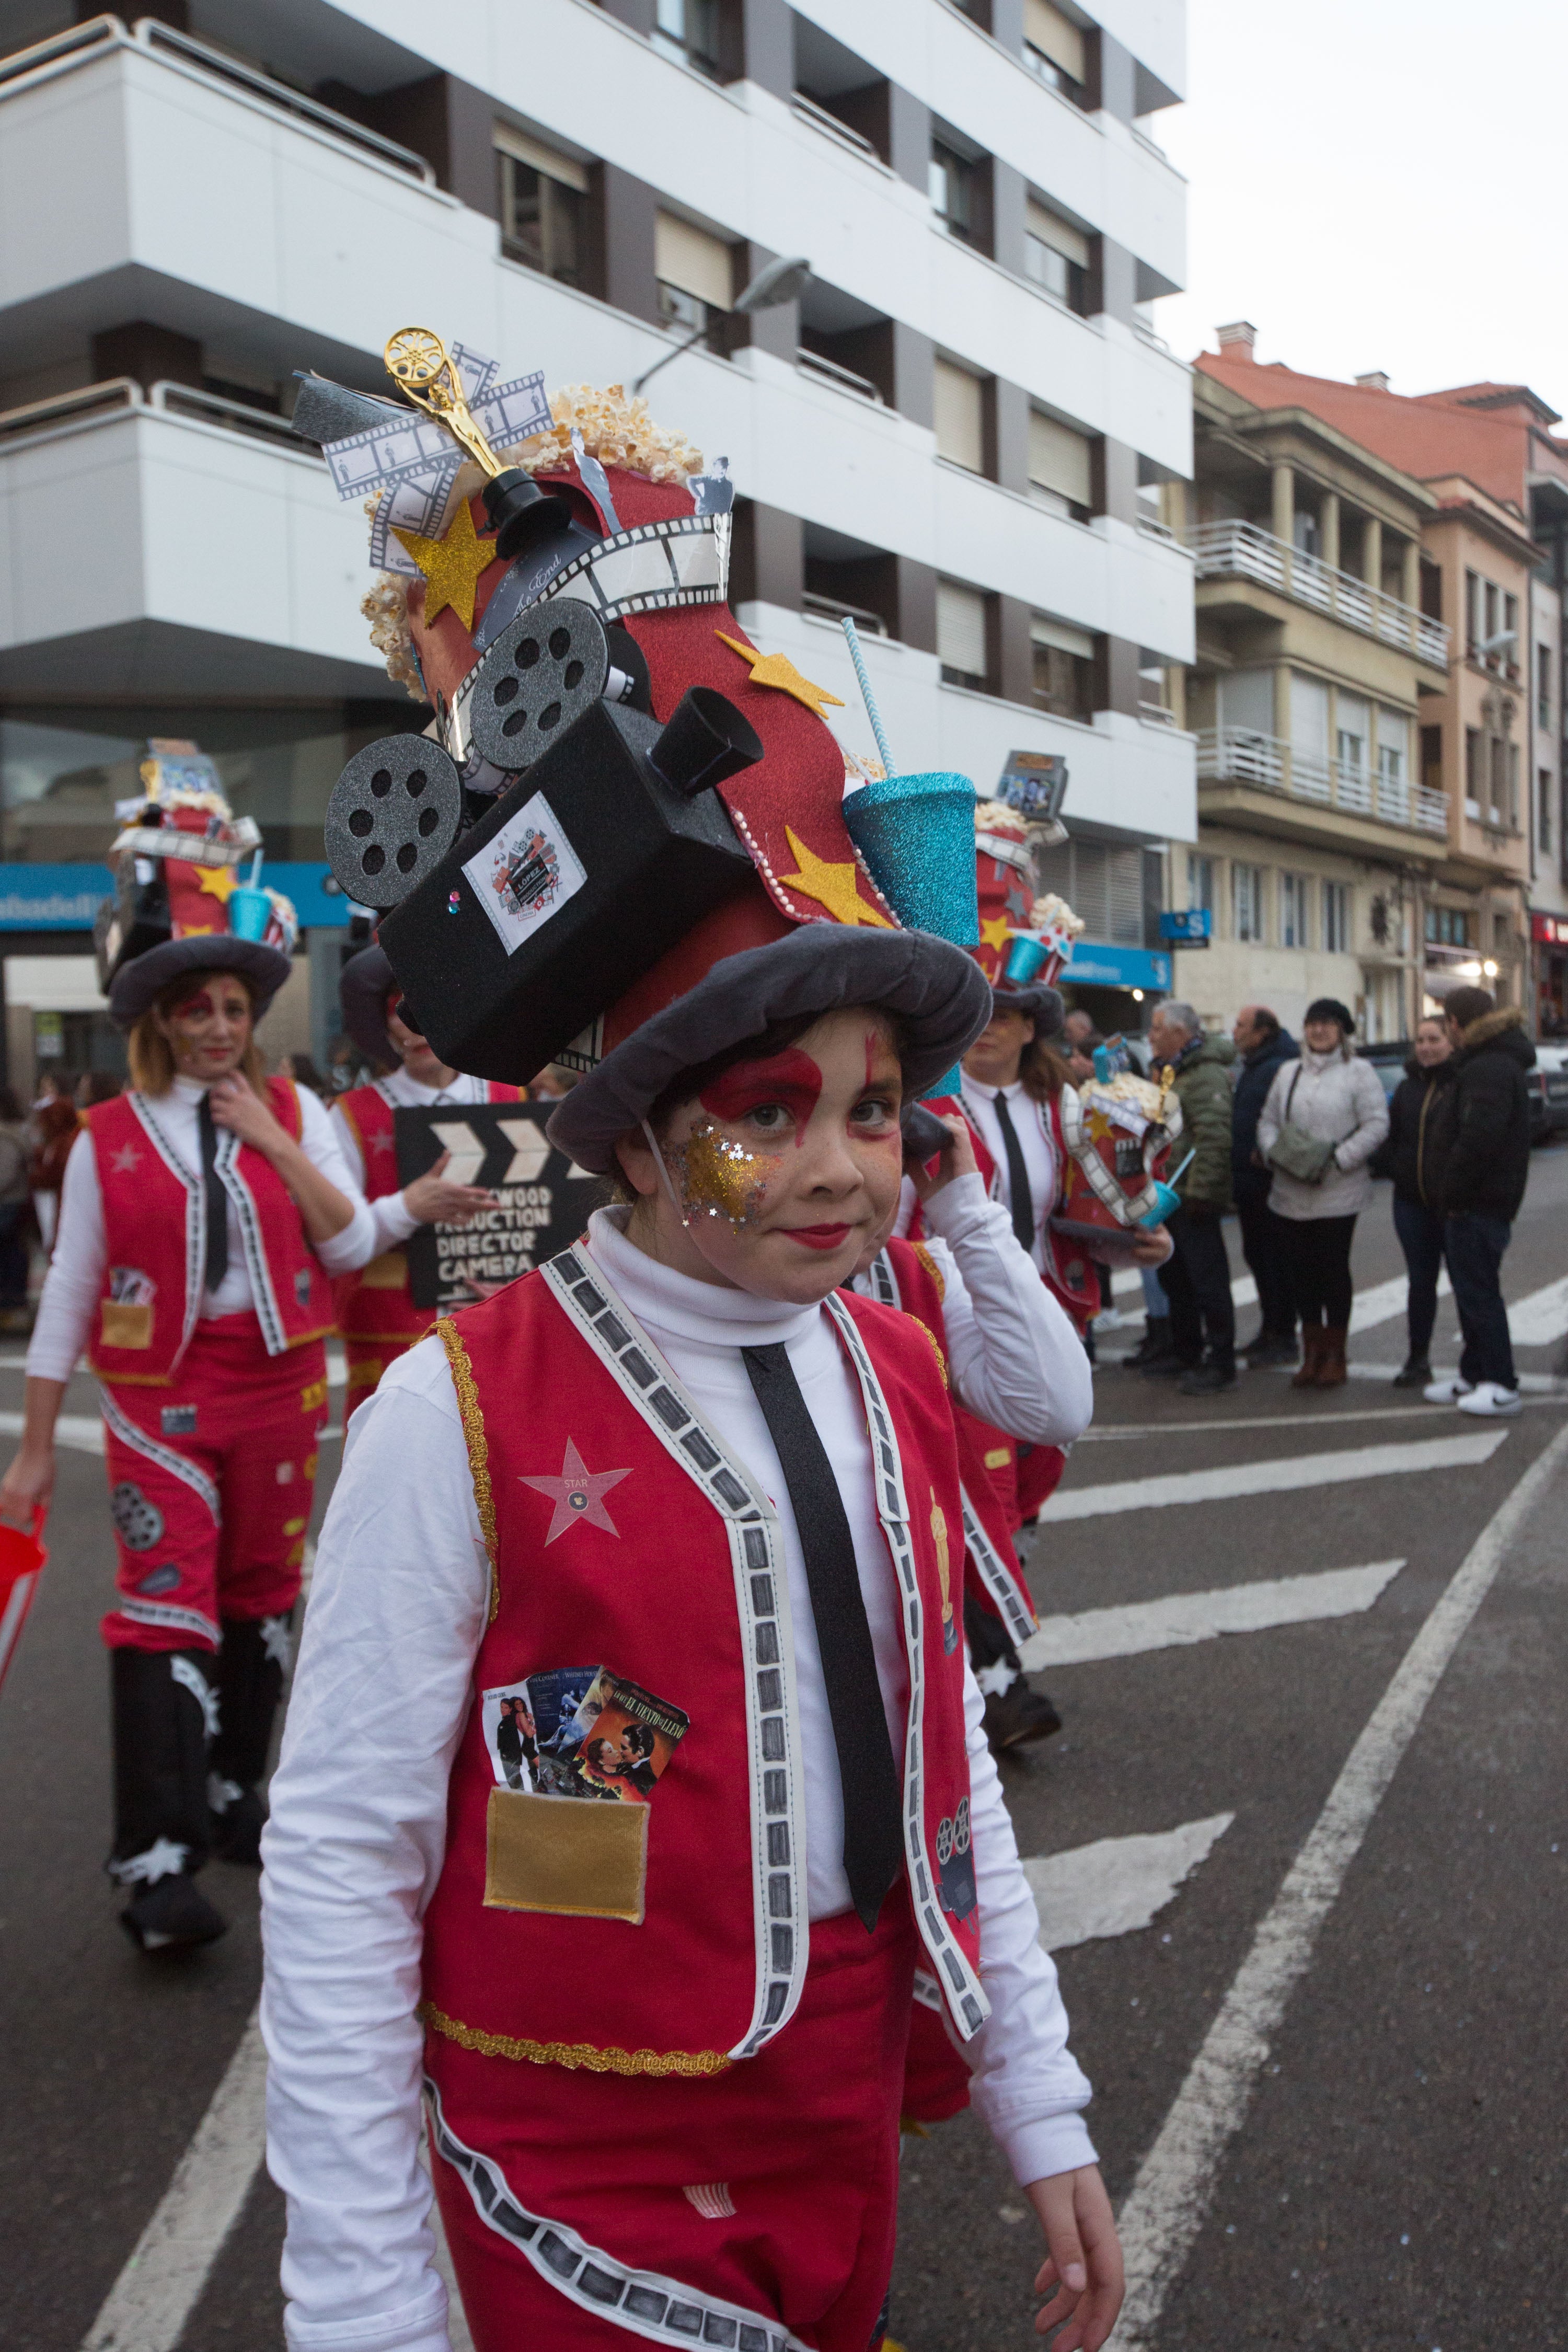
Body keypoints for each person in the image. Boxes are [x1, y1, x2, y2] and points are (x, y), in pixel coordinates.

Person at [263, 376, 1122, 2352]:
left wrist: (1034, 2094)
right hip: (568, 2160)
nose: (838, 1163)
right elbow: (331, 1875)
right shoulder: (456, 1410)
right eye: (767, 1106)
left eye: (874, 1106)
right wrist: (362, 2307)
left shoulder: (887, 1356)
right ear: (637, 1130)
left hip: (845, 2110)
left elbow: (943, 1775)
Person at [0, 767, 377, 1954]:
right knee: (160, 1608)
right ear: (157, 1017)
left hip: (279, 1388)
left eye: (231, 1006)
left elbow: (356, 1238)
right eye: (195, 1007)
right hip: (158, 1398)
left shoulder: (295, 1111)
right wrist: (29, 1449)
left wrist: (270, 1132)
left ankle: (234, 1795)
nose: (216, 1024)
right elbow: (65, 1292)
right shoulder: (107, 1136)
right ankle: (156, 1860)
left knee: (264, 1600)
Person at [850, 1106, 1099, 1751]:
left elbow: (1054, 1404)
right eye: (770, 1118)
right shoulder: (578, 1331)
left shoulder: (906, 1277)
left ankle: (993, 1681)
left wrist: (966, 1210)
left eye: (871, 1119)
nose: (832, 1169)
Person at [328, 944, 516, 1401]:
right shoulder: (351, 1116)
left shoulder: (512, 1098)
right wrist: (407, 1209)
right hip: (391, 1329)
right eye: (397, 1008)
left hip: (498, 1319)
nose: (410, 1023)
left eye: (424, 1004)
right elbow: (332, 1241)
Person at [1255, 998, 1388, 1391]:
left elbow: (1377, 1124)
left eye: (1328, 1024)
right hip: (1290, 1188)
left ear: (1342, 1030)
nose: (1319, 1031)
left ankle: (1336, 1354)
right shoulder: (1287, 1072)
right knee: (1301, 1276)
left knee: (1332, 1271)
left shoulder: (1359, 1072)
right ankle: (1311, 1353)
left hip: (1338, 1191)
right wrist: (1274, 1153)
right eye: (1313, 1023)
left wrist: (1340, 1160)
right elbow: (1269, 1121)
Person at [1420, 985, 1535, 1417]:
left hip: (1479, 1203)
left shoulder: (1488, 1067)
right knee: (1472, 1294)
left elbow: (1478, 1140)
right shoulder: (1488, 1062)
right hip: (1479, 1202)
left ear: (1454, 1023)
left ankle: (1501, 1384)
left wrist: (1453, 1194)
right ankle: (1473, 1374)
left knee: (1480, 1295)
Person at [1143, 1001, 1238, 1394]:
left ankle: (1221, 1360)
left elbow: (1213, 1136)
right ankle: (1186, 1351)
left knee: (1206, 1280)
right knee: (1175, 1277)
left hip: (1192, 1197)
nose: (1151, 1036)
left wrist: (1202, 1193)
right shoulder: (1172, 1073)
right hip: (1168, 1195)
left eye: (1157, 1029)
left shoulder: (1204, 1075)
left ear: (1181, 1033)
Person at [1371, 1014, 1455, 1388]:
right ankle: (1418, 1359)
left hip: (1451, 1204)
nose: (1425, 1047)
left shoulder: (1461, 1085)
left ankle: (1478, 1362)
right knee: (1421, 1283)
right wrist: (1395, 1169)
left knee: (1468, 1284)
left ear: (1451, 1041)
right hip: (1410, 1203)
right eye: (1420, 1040)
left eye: (1434, 1039)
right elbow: (1390, 1137)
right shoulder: (1408, 1087)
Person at [1229, 1005, 1299, 1366]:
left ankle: (1284, 1336)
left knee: (1276, 1262)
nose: (1235, 1031)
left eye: (1241, 1025)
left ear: (1262, 1032)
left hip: (1269, 1182)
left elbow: (1284, 1119)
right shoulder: (1256, 1065)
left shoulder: (1277, 1068)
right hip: (1249, 1182)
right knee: (1259, 1258)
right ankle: (1270, 1331)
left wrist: (1263, 1152)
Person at [27, 1069, 79, 1253]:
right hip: (48, 1201)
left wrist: (33, 1177)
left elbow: (53, 1173)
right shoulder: (51, 1144)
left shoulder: (65, 1144)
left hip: (58, 1203)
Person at [0, 1085, 31, 1331]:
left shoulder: (6, 1136)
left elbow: (4, 1174)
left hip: (7, 1204)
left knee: (9, 1257)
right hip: (14, 1203)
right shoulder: (18, 1132)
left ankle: (11, 1308)